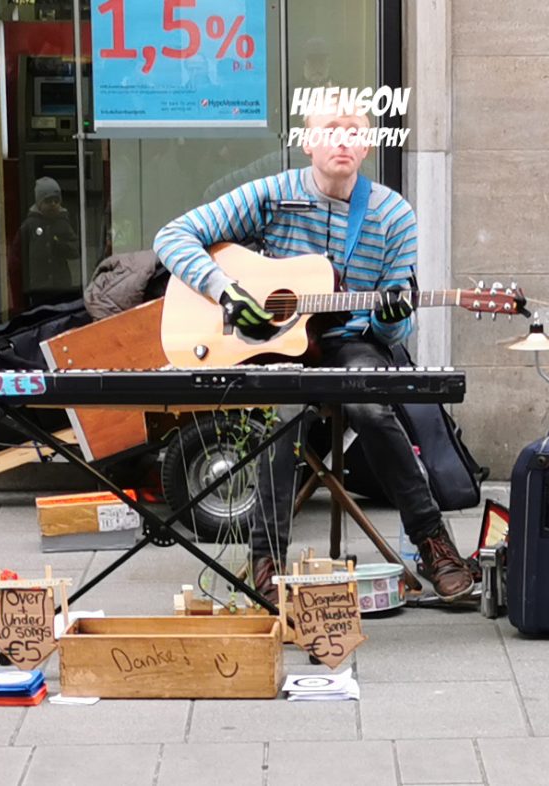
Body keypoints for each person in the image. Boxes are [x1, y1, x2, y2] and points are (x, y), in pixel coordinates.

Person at [153, 104, 474, 604]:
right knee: (282, 414)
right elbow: (172, 236)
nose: (342, 141)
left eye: (354, 133)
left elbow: (394, 328)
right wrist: (225, 292)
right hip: (278, 345)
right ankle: (266, 560)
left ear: (367, 147)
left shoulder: (393, 215)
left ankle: (433, 543)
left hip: (353, 339)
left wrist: (391, 316)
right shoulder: (273, 195)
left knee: (372, 404)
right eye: (330, 131)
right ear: (307, 143)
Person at [7, 177, 79, 310]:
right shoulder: (29, 226)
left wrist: (60, 246)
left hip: (61, 286)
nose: (53, 204)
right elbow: (16, 258)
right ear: (39, 203)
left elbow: (75, 250)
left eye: (56, 201)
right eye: (48, 201)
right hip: (38, 288)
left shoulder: (63, 223)